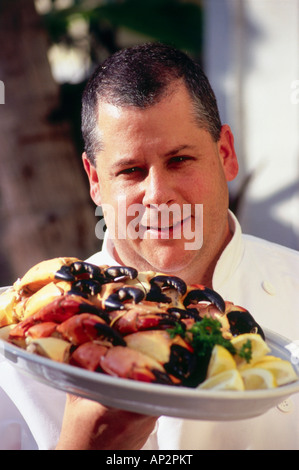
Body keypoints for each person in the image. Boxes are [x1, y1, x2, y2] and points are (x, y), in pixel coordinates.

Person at [1, 42, 299, 450]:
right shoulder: (17, 347)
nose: (157, 195)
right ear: (94, 180)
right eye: (131, 170)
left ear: (225, 154)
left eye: (180, 160)